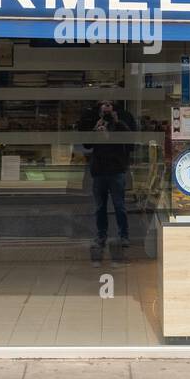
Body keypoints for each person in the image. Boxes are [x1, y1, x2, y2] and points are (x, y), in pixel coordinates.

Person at [84, 100, 137, 265]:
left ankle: (123, 236)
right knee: (100, 207)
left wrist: (116, 123)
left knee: (119, 206)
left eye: (109, 108)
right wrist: (95, 129)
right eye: (104, 109)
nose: (107, 112)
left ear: (115, 110)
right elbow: (87, 145)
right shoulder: (97, 123)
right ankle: (101, 235)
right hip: (99, 170)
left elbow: (130, 144)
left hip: (116, 169)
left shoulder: (120, 123)